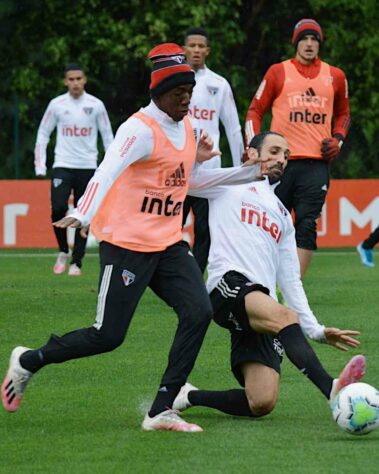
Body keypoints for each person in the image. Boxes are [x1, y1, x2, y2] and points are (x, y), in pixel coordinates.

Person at [2, 44, 265, 433]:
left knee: (198, 312)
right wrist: (84, 212)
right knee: (108, 336)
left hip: (169, 244)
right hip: (127, 245)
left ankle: (161, 409)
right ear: (158, 93)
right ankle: (29, 360)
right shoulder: (139, 129)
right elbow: (107, 170)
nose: (187, 101)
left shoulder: (189, 128)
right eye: (179, 94)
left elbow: (190, 184)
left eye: (190, 94)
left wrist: (249, 173)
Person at [172, 131, 365, 421]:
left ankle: (187, 395)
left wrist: (316, 330)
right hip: (228, 286)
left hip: (262, 302)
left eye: (286, 156)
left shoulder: (282, 214)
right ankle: (332, 389)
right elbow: (188, 182)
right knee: (284, 317)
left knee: (261, 402)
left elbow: (290, 280)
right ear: (251, 152)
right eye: (274, 151)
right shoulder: (228, 184)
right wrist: (194, 160)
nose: (281, 160)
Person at [245, 19, 351, 278]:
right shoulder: (278, 72)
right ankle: (264, 279)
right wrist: (256, 148)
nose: (309, 44)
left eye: (315, 39)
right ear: (295, 42)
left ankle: (294, 288)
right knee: (270, 222)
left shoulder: (335, 75)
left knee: (306, 223)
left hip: (316, 164)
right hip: (280, 164)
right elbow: (254, 111)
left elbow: (344, 114)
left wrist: (338, 140)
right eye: (304, 38)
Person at [34, 63, 114, 276]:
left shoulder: (96, 105)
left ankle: (76, 262)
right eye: (71, 79)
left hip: (87, 167)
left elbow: (108, 136)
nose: (75, 83)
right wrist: (40, 165)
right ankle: (62, 250)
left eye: (79, 79)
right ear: (65, 81)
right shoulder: (56, 104)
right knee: (58, 208)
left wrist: (112, 166)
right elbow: (43, 134)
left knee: (84, 214)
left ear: (85, 80)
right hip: (63, 165)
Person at [182, 27, 245, 273]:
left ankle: (196, 277)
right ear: (184, 49)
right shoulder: (175, 83)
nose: (196, 50)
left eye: (201, 46)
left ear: (207, 50)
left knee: (205, 228)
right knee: (169, 224)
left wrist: (242, 166)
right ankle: (165, 273)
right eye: (192, 45)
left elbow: (232, 126)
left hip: (208, 170)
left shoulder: (219, 84)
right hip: (178, 167)